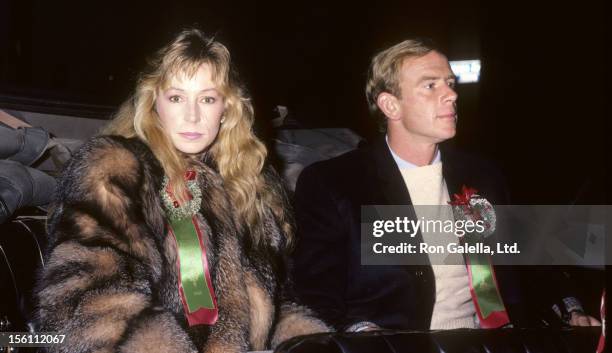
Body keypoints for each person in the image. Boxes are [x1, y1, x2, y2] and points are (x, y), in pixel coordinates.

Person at [35, 28, 329, 353]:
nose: (192, 115)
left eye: (207, 98)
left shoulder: (250, 183)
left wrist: (313, 342)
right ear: (154, 105)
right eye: (176, 98)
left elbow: (277, 306)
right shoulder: (115, 169)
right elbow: (88, 303)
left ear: (227, 109)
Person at [291, 39, 600, 331]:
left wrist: (571, 308)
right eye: (430, 85)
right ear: (390, 105)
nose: (451, 94)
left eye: (450, 84)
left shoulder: (481, 175)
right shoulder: (334, 184)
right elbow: (315, 296)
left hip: (491, 341)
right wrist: (360, 332)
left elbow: (528, 264)